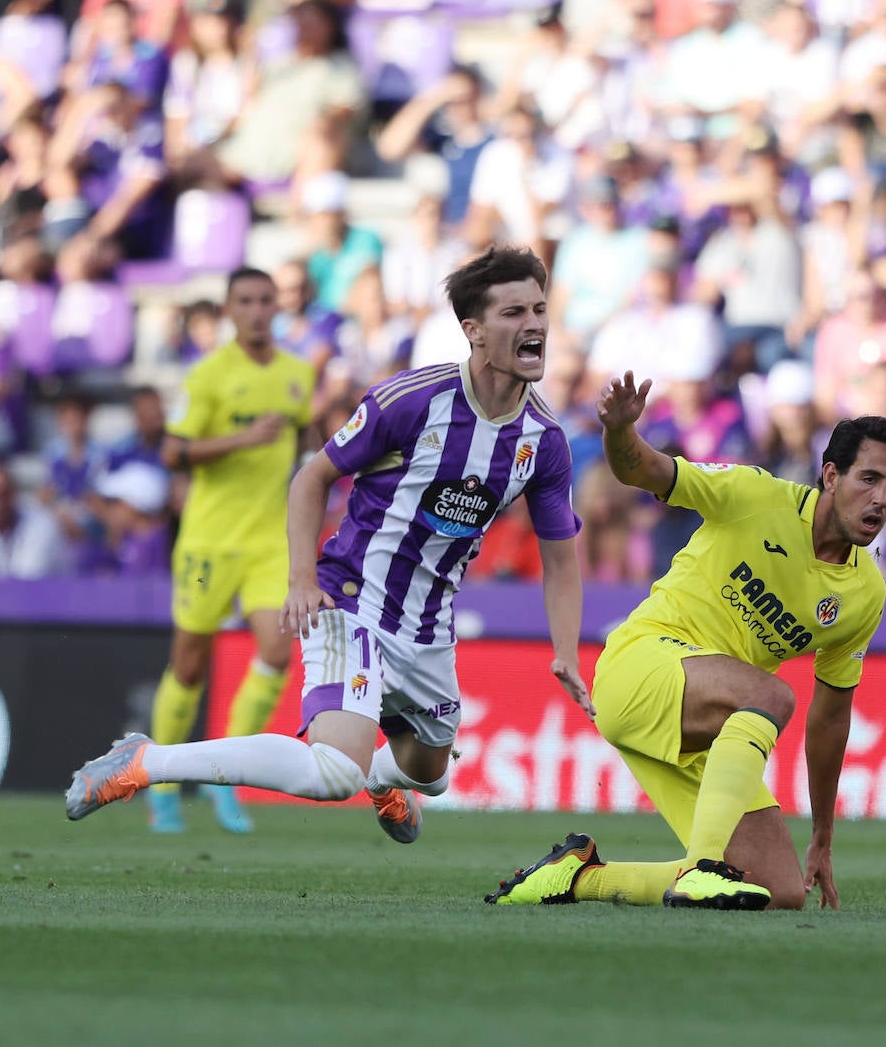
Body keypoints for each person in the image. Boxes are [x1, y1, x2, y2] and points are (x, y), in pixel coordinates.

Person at [66, 246, 593, 850]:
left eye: (540, 309)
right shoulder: (411, 402)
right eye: (513, 312)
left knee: (433, 775)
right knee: (332, 771)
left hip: (428, 628)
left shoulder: (545, 441)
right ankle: (145, 763)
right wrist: (300, 581)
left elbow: (561, 561)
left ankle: (384, 781)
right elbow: (311, 478)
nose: (533, 324)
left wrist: (566, 651)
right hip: (351, 596)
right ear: (473, 331)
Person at [486, 371, 886, 911]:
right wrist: (620, 432)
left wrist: (823, 836)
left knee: (776, 890)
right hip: (640, 664)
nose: (881, 498)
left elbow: (830, 718)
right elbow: (643, 468)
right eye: (868, 479)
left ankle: (576, 878)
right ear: (830, 476)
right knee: (774, 696)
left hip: (710, 723)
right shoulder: (755, 495)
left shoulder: (864, 593)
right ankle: (701, 867)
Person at [136, 267, 317, 835]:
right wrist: (242, 437)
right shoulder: (209, 374)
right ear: (230, 310)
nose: (259, 310)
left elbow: (309, 443)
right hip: (210, 542)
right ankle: (160, 787)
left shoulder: (297, 374)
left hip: (268, 541)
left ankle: (228, 778)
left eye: (267, 300)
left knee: (277, 651)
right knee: (189, 663)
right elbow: (171, 452)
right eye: (247, 301)